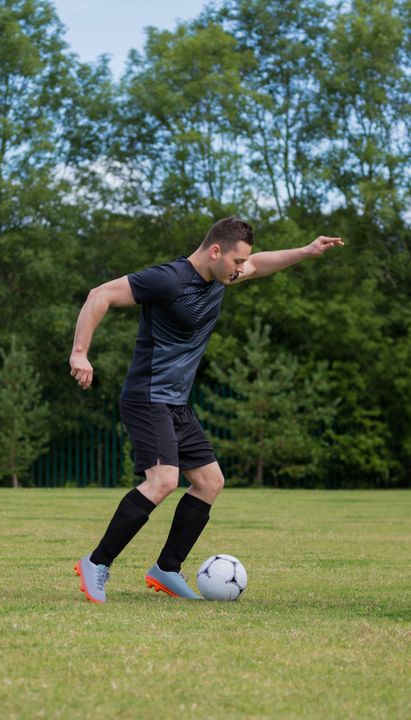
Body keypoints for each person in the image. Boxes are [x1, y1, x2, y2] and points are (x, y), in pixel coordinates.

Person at [69, 217, 344, 603]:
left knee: (210, 482)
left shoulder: (221, 276)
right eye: (236, 261)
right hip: (148, 397)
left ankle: (166, 568)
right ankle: (96, 563)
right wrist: (80, 353)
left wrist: (307, 250)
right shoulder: (168, 279)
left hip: (176, 403)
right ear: (215, 251)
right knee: (163, 480)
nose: (240, 270)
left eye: (241, 263)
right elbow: (100, 295)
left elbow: (260, 263)